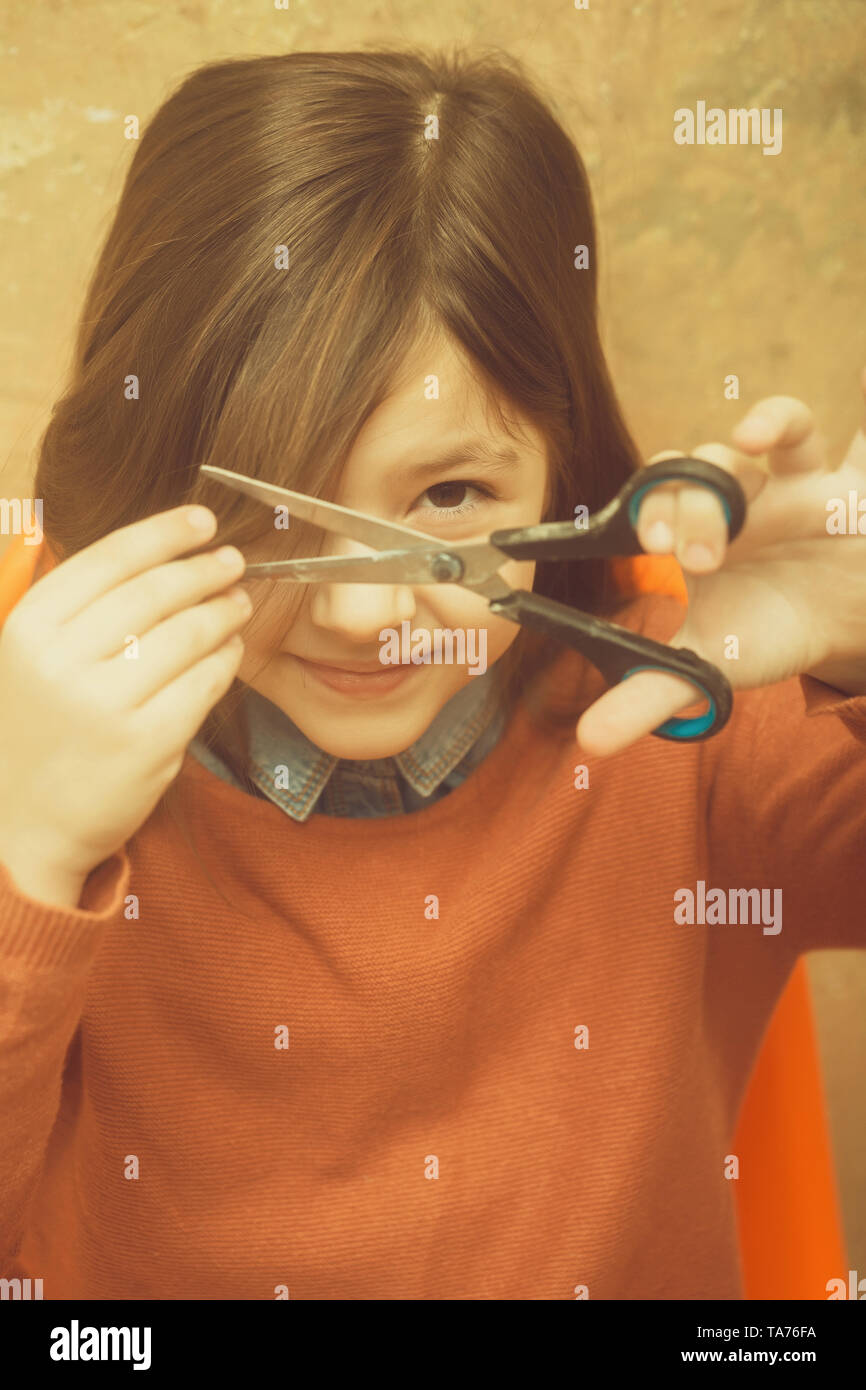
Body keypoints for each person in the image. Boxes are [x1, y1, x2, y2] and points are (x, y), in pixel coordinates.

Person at [1, 47, 865, 1301]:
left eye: (450, 495)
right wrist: (23, 854)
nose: (362, 614)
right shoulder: (37, 733)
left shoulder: (694, 716)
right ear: (151, 476)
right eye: (276, 505)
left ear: (564, 471)